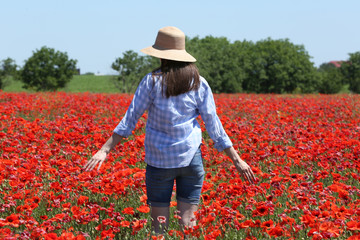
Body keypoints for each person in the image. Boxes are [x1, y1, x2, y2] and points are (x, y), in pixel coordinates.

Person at [83, 26, 255, 235]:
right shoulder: (198, 83)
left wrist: (105, 149)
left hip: (159, 162)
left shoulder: (152, 81)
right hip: (191, 160)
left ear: (161, 56)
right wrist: (237, 159)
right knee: (188, 224)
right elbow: (213, 124)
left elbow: (131, 118)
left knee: (160, 227)